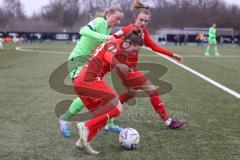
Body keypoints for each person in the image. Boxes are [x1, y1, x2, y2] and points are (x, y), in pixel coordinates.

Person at [112, 0, 185, 129]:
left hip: (129, 68)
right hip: (124, 68)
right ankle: (168, 121)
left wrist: (173, 54)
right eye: (141, 20)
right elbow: (111, 38)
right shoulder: (127, 29)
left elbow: (155, 47)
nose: (144, 23)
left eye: (146, 21)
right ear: (135, 18)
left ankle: (107, 112)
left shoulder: (144, 33)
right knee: (152, 89)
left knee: (131, 93)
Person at [74, 29, 144, 154]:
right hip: (90, 80)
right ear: (127, 43)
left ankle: (83, 142)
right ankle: (86, 126)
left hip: (80, 82)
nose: (134, 53)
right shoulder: (115, 43)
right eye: (134, 50)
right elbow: (108, 55)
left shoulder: (117, 46)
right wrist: (118, 64)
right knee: (117, 107)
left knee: (101, 116)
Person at [58, 6, 124, 137]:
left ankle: (109, 124)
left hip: (88, 65)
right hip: (77, 61)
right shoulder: (100, 21)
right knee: (88, 95)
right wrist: (105, 37)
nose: (118, 22)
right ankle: (64, 119)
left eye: (120, 20)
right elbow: (83, 30)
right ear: (109, 14)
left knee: (95, 95)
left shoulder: (108, 28)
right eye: (117, 18)